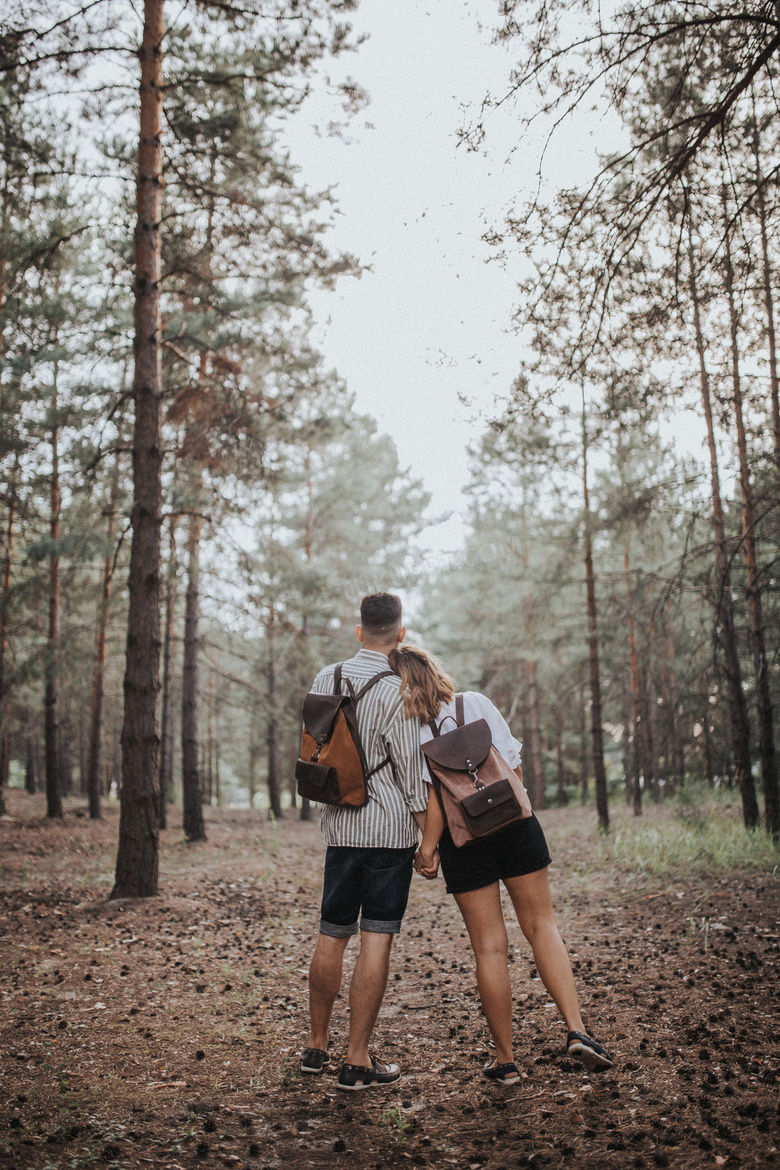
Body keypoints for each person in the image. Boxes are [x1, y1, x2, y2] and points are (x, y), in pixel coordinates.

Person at [389, 643, 614, 1083]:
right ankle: (577, 1031)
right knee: (542, 926)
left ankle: (506, 1060)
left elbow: (433, 802)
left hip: (464, 842)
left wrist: (428, 851)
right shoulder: (475, 703)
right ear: (435, 670)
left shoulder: (410, 731)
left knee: (489, 947)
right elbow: (512, 767)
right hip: (513, 824)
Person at [301, 594, 429, 1091]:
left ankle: (315, 1047)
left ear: (359, 631)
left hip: (340, 828)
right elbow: (413, 778)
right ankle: (356, 1060)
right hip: (389, 833)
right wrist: (429, 839)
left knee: (331, 932)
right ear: (400, 635)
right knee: (377, 937)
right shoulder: (399, 691)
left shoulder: (324, 679)